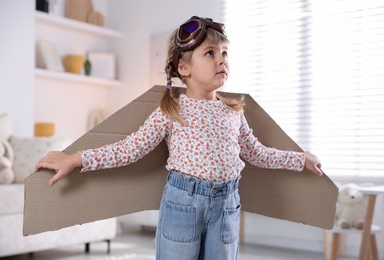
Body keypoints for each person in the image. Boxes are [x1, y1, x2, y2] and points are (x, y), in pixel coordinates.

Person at [35, 16, 323, 260]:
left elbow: (257, 153)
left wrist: (301, 159)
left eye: (224, 53)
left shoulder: (233, 111)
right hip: (183, 203)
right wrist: (76, 158)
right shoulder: (171, 110)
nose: (221, 59)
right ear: (184, 69)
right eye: (210, 53)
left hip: (227, 203)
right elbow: (130, 149)